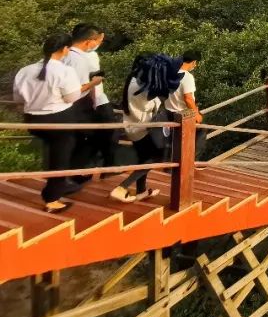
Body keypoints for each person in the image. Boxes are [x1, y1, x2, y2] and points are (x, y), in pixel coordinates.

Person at [14, 33, 100, 212]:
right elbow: (72, 97)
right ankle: (52, 198)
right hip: (58, 121)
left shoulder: (25, 70)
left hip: (32, 120)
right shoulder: (64, 71)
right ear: (65, 49)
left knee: (56, 152)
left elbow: (18, 99)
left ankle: (59, 184)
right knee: (61, 157)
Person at [111, 54, 167, 203]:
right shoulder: (139, 87)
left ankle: (141, 190)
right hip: (141, 128)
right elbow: (149, 104)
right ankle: (122, 188)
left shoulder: (134, 78)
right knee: (154, 157)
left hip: (132, 125)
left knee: (144, 158)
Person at [64, 22, 116, 172]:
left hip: (78, 104)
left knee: (87, 138)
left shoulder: (65, 54)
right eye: (99, 40)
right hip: (87, 102)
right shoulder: (84, 57)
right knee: (101, 135)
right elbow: (83, 86)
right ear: (88, 40)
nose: (99, 44)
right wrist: (94, 88)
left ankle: (79, 171)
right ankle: (83, 171)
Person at [164, 51, 205, 156]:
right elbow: (188, 98)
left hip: (169, 112)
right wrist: (197, 115)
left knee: (174, 141)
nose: (195, 65)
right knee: (200, 134)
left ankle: (171, 165)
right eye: (195, 63)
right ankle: (191, 162)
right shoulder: (187, 77)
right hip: (183, 114)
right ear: (193, 62)